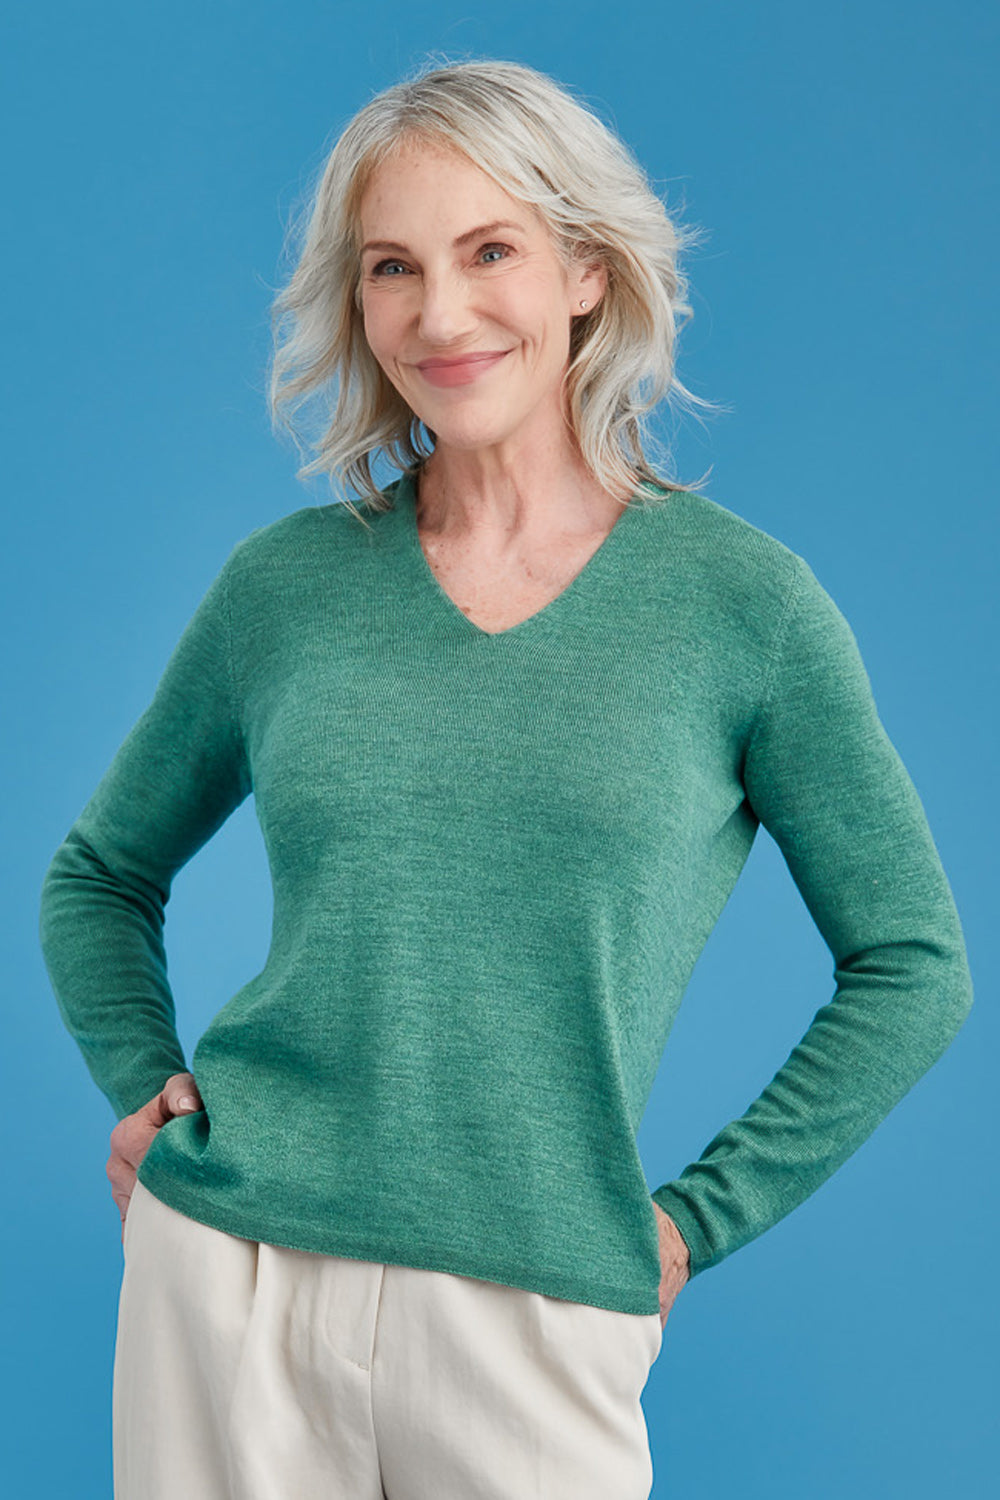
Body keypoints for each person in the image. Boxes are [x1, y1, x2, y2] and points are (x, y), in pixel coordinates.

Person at [38, 56, 973, 1500]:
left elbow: (914, 962)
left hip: (535, 1307)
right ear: (356, 304)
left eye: (491, 253)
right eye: (392, 268)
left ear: (587, 274)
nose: (441, 313)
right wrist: (144, 1086)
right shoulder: (282, 591)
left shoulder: (745, 610)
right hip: (231, 1272)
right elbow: (99, 874)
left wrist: (689, 1226)